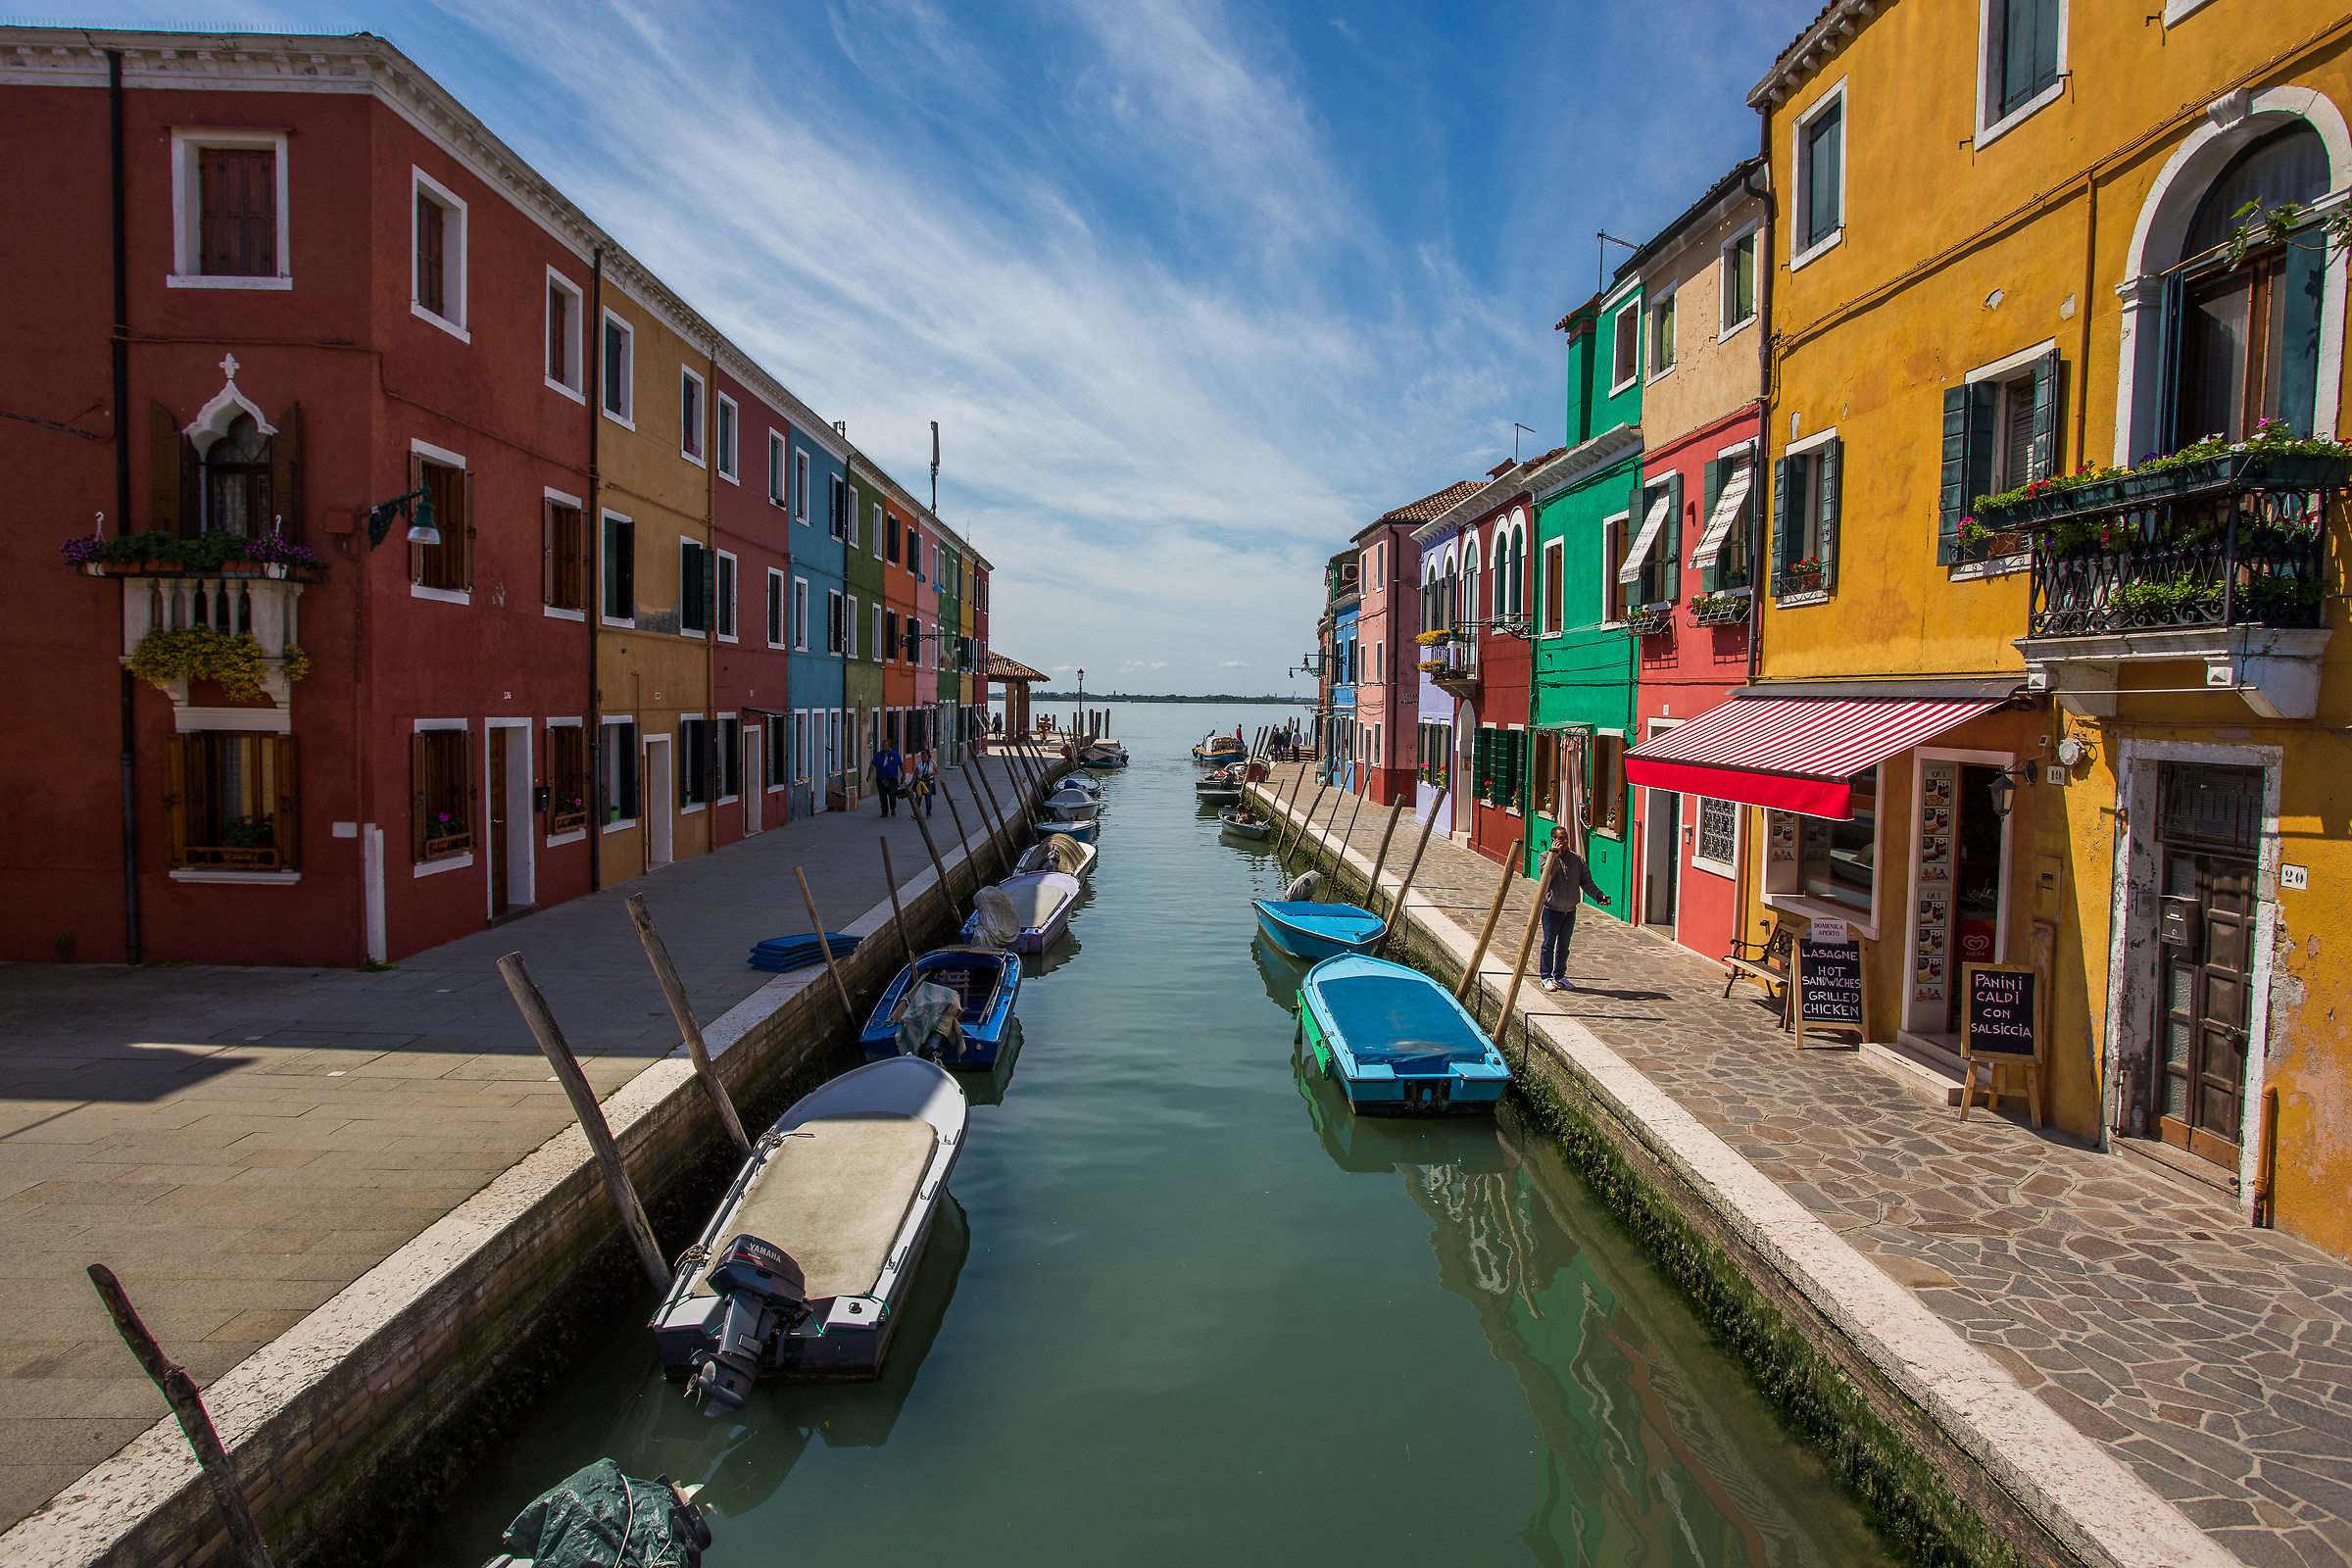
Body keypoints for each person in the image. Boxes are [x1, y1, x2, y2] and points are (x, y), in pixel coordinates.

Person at [1538, 835, 1609, 992]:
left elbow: (1586, 882)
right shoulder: (1544, 857)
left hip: (1569, 910)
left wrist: (1598, 896)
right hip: (1552, 909)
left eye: (1566, 838)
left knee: (1564, 945)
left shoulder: (1576, 860)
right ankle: (1545, 977)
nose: (1564, 842)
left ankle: (1560, 975)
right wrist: (1554, 855)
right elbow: (1547, 877)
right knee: (1548, 944)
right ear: (1553, 839)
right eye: (1560, 838)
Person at [870, 739, 903, 817]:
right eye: (883, 745)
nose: (884, 747)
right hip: (880, 779)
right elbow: (873, 765)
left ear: (889, 746)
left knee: (892, 794)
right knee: (882, 796)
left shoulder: (895, 754)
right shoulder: (878, 755)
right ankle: (884, 811)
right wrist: (869, 774)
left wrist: (903, 776)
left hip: (892, 779)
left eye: (886, 745)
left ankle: (893, 808)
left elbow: (901, 765)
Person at [910, 748, 938, 817]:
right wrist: (911, 783)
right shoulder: (918, 764)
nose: (922, 755)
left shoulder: (932, 763)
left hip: (929, 782)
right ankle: (916, 813)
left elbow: (937, 771)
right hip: (920, 782)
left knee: (928, 798)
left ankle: (928, 813)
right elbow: (916, 774)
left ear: (928, 755)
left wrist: (931, 774)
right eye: (921, 754)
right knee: (918, 798)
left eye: (924, 754)